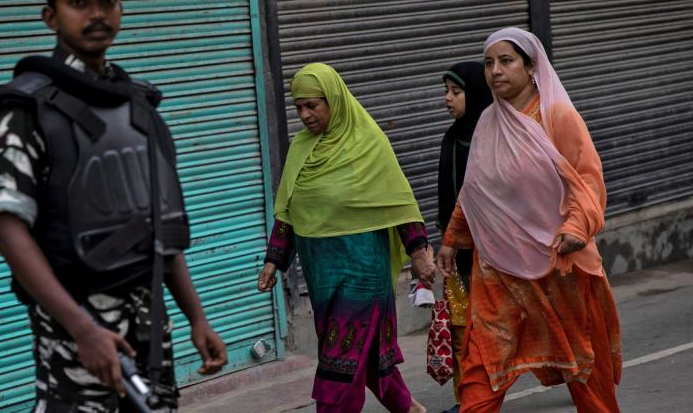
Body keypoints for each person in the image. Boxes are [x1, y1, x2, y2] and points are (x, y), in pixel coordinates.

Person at [0, 0, 227, 413]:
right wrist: (81, 329)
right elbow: (9, 227)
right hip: (78, 327)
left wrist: (197, 317)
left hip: (149, 320)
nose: (97, 14)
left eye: (109, 1)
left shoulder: (138, 105)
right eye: (79, 2)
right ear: (50, 16)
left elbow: (157, 228)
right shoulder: (28, 110)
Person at [437, 27, 622, 413]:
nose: (495, 71)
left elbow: (586, 179)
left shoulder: (558, 116)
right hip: (498, 270)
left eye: (506, 61)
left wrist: (575, 227)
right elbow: (476, 191)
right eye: (490, 63)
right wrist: (453, 238)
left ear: (531, 66)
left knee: (585, 368)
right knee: (481, 368)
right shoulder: (488, 122)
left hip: (557, 265)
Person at [256, 63, 434, 413]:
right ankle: (408, 408)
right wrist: (273, 260)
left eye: (313, 105)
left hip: (363, 271)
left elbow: (399, 203)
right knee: (359, 354)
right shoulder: (301, 150)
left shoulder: (368, 143)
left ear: (334, 100)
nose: (305, 115)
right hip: (322, 272)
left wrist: (418, 252)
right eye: (299, 107)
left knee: (340, 362)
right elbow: (288, 210)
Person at [435, 62, 493, 413]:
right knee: (461, 330)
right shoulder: (452, 136)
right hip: (456, 253)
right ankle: (467, 400)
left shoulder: (493, 139)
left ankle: (569, 369)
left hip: (492, 253)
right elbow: (448, 195)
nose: (448, 98)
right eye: (447, 91)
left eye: (456, 92)